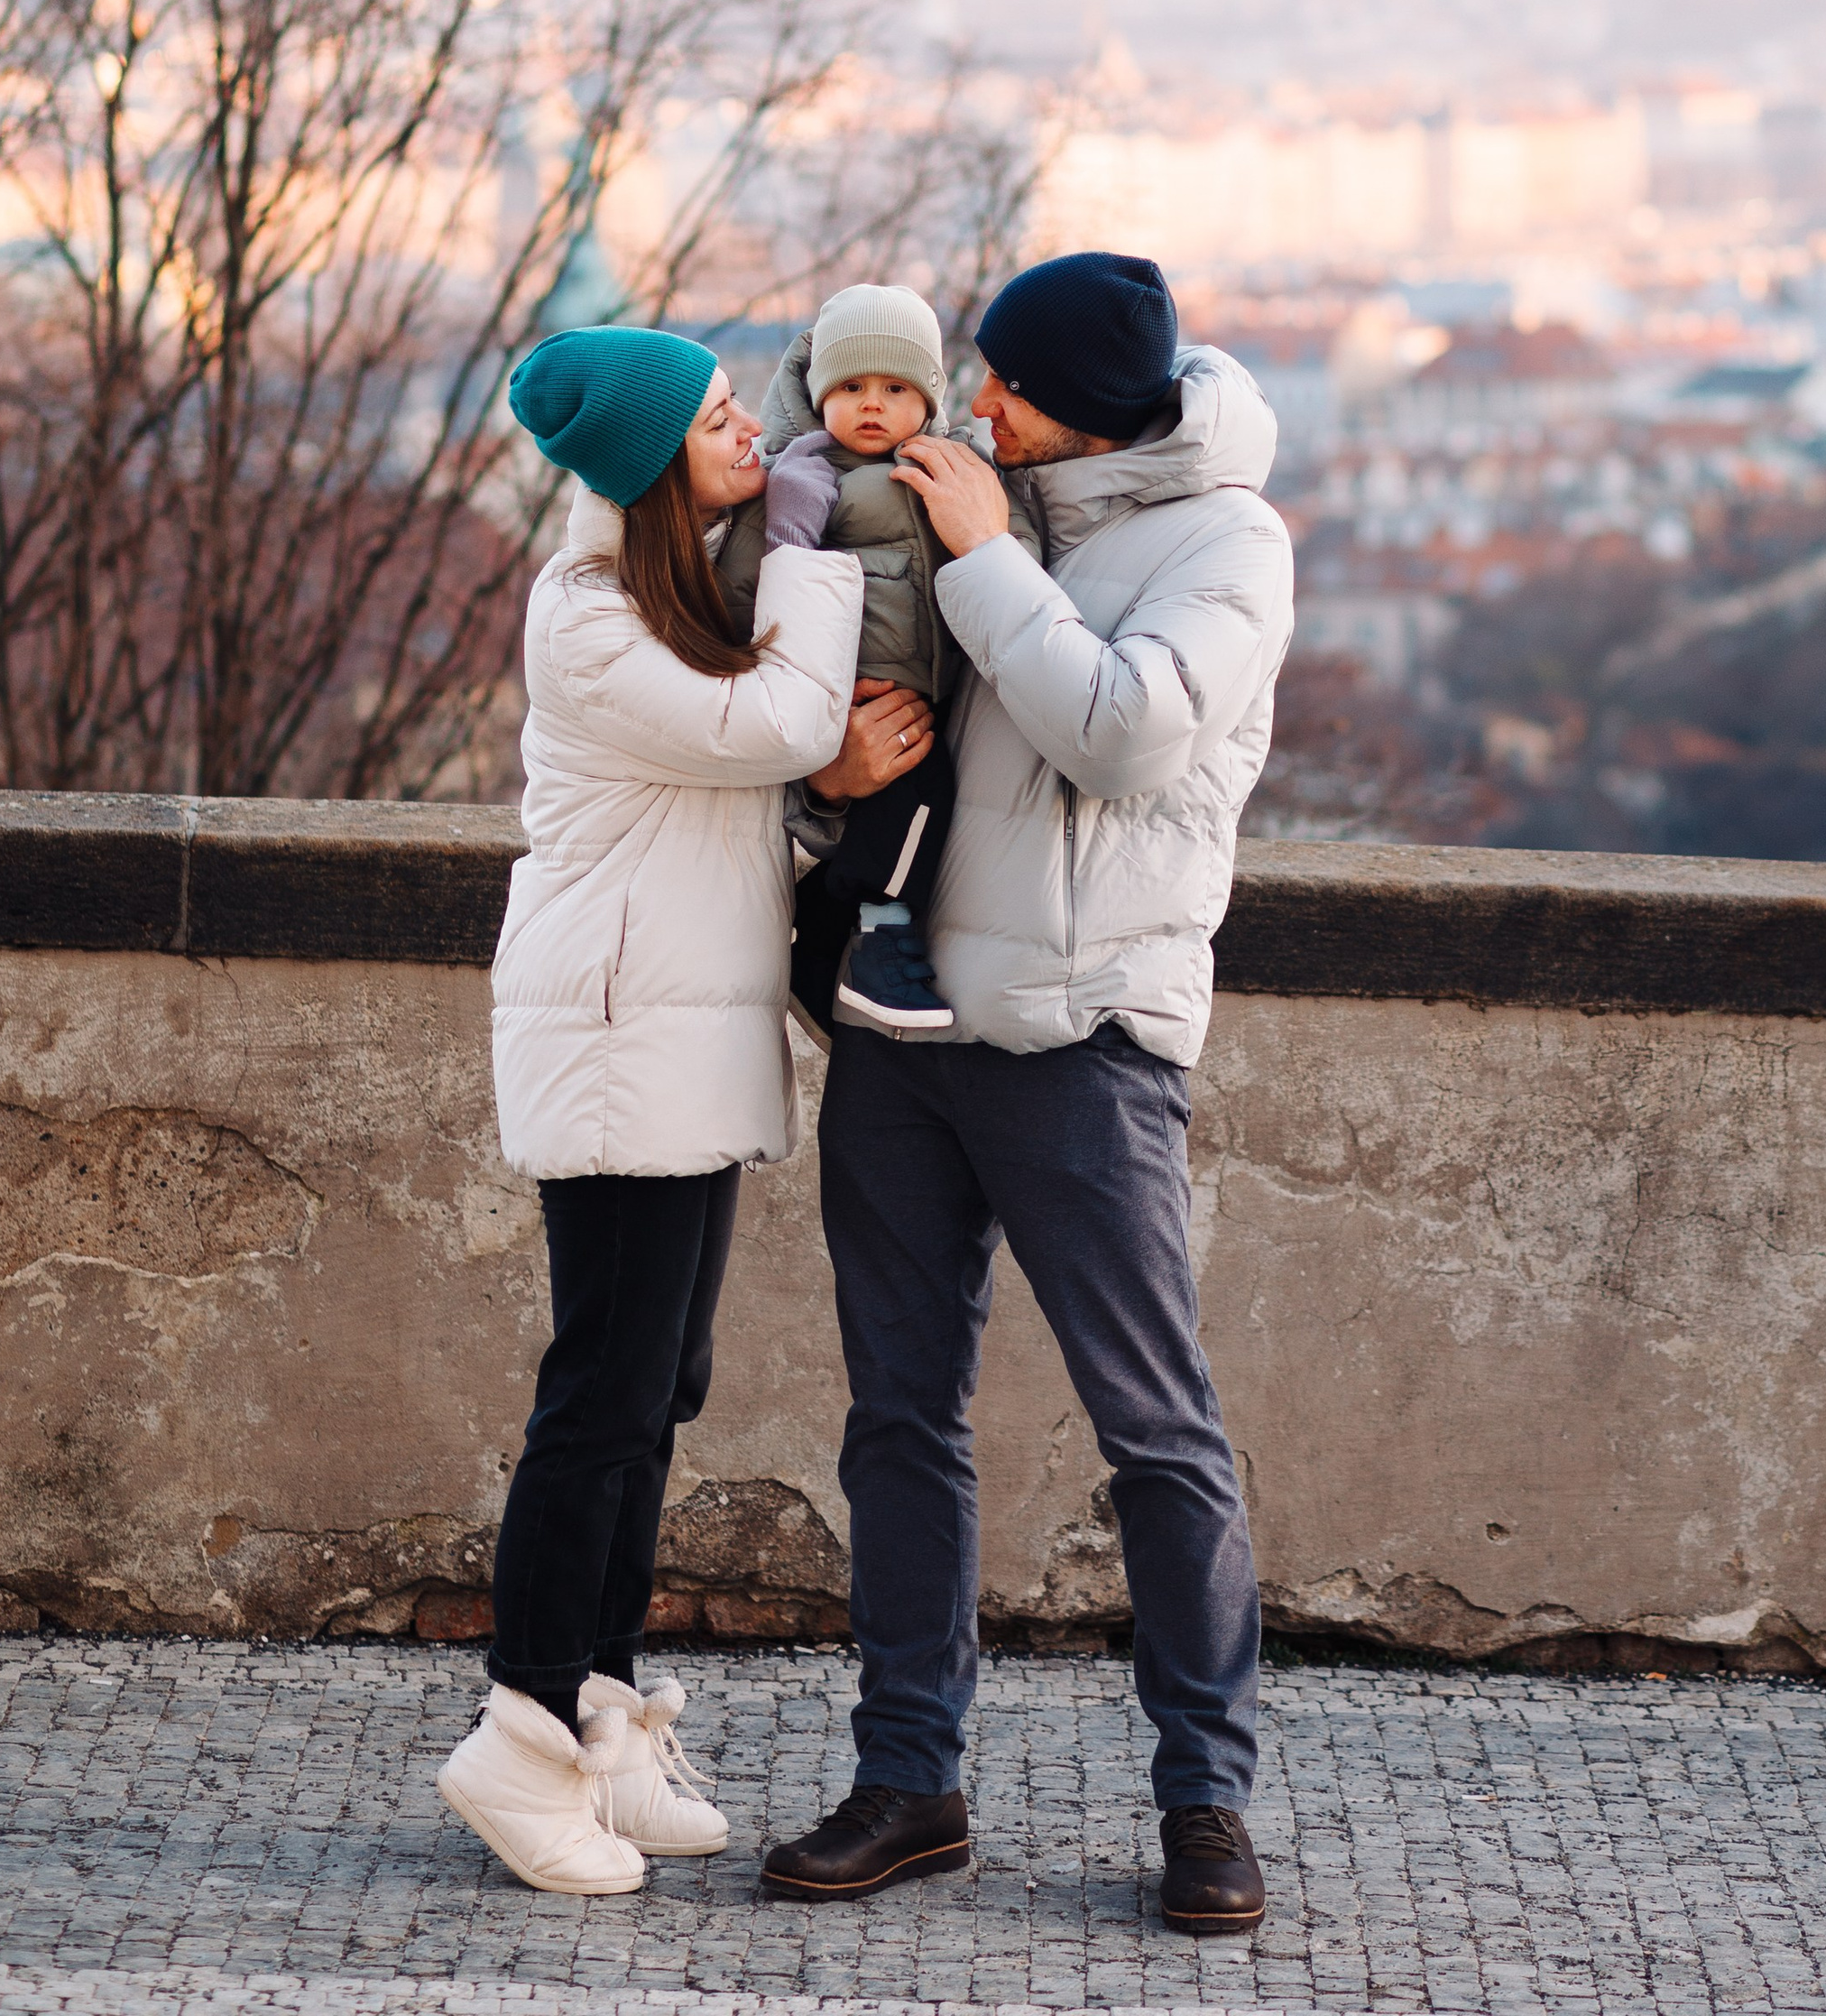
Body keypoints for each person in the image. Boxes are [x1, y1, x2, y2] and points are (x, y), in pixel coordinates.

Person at [761, 252, 1295, 1939]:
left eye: (1005, 381)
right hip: (900, 1034)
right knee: (898, 1424)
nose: (970, 404)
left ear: (1084, 396)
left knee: (1157, 1432)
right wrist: (825, 759)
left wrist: (991, 556)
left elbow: (1121, 732)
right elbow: (840, 687)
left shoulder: (1227, 541)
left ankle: (1207, 1801)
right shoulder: (968, 494)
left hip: (1085, 1039)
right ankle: (908, 1782)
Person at [434, 319, 920, 1898]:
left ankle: (594, 1704)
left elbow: (745, 817)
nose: (749, 432)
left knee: (657, 1387)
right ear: (657, 460)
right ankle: (516, 1745)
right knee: (598, 1398)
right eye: (720, 417)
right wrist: (812, 547)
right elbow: (777, 729)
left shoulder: (675, 598)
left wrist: (826, 799)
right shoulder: (584, 618)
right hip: (618, 1035)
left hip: (681, 1035)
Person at [714, 280, 1037, 1041]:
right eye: (851, 386)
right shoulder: (798, 479)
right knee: (915, 794)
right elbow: (740, 594)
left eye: (895, 387)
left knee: (926, 809)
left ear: (928, 398)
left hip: (936, 701)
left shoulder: (959, 470)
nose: (871, 404)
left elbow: (1016, 551)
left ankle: (830, 939)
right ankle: (881, 938)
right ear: (819, 393)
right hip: (852, 702)